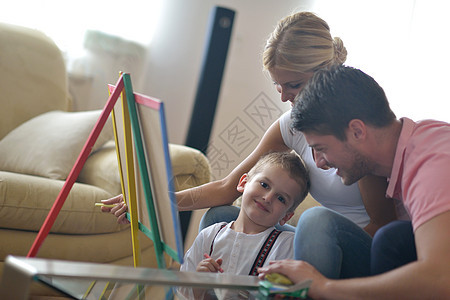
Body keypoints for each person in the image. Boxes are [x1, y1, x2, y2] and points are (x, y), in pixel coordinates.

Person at [102, 11, 397, 279]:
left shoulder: (356, 132)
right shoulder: (291, 125)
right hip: (317, 241)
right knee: (221, 217)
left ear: (324, 74)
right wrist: (155, 202)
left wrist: (308, 251)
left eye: (293, 85)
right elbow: (230, 187)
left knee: (316, 220)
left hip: (360, 249)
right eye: (278, 86)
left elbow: (382, 226)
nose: (284, 98)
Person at [257, 65, 450, 299]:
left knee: (389, 238)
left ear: (357, 131)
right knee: (392, 240)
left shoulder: (432, 164)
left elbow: (441, 280)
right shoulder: (419, 141)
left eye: (321, 148)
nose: (319, 163)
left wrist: (323, 287)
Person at [177, 152, 309, 299]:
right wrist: (198, 285)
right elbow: (183, 294)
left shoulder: (286, 246)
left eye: (281, 198)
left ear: (286, 216)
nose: (267, 198)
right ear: (243, 183)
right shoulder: (209, 236)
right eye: (264, 185)